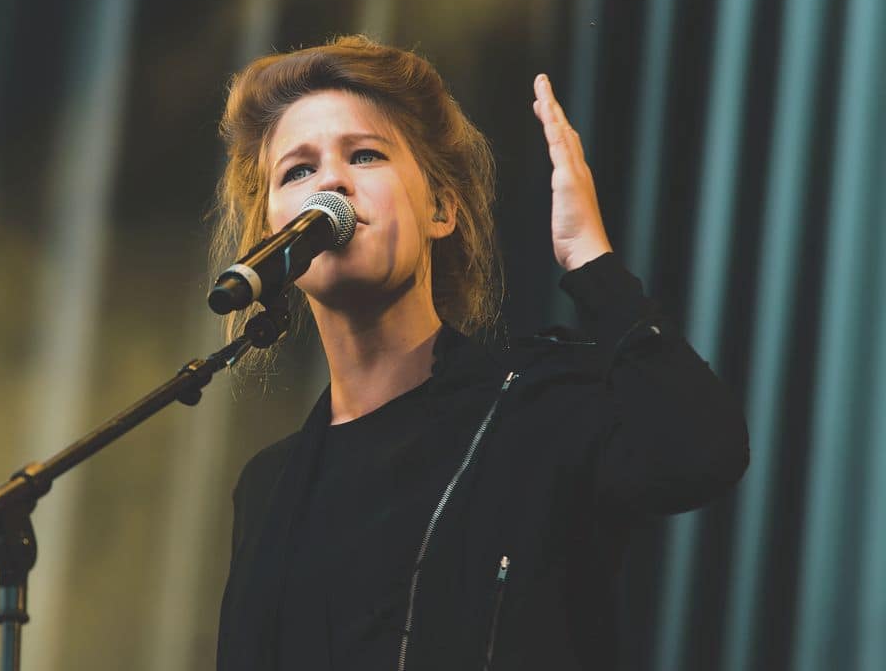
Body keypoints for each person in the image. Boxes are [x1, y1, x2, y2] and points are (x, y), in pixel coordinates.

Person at [210, 35, 748, 671]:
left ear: (440, 208)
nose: (329, 180)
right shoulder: (271, 486)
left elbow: (698, 455)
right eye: (297, 171)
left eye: (365, 155)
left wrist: (591, 264)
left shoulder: (539, 408)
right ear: (275, 236)